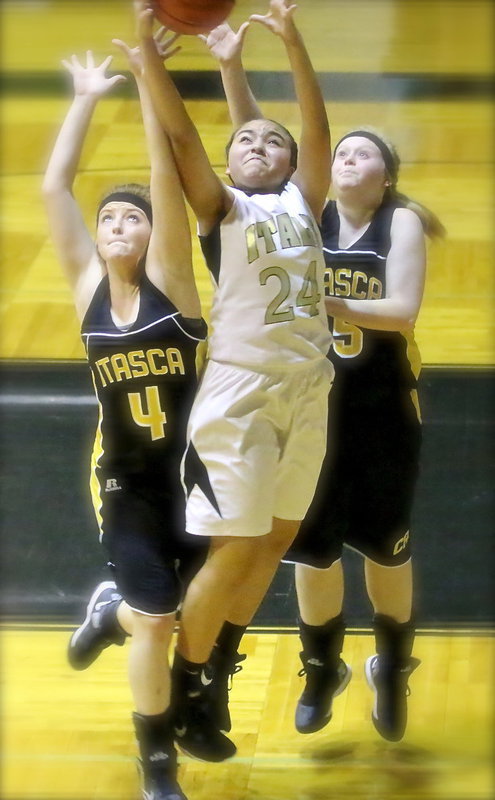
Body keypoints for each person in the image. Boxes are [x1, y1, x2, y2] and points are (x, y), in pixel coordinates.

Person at [201, 21, 446, 744]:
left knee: (386, 549)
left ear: (385, 174)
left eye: (360, 151)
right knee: (312, 551)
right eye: (336, 151)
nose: (343, 157)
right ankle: (321, 665)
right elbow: (256, 142)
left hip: (381, 409)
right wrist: (232, 63)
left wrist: (327, 301)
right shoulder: (298, 211)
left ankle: (391, 666)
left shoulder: (397, 222)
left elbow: (399, 313)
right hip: (309, 404)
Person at [135, 0, 334, 762]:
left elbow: (313, 129)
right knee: (236, 542)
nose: (258, 142)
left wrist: (292, 42)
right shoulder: (225, 207)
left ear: (287, 163)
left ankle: (217, 668)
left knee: (275, 539)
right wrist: (151, 64)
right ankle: (186, 681)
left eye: (270, 140)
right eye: (245, 137)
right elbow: (185, 137)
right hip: (242, 391)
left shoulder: (302, 202)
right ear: (230, 162)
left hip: (307, 389)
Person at [42, 31, 207, 800]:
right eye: (107, 218)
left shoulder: (174, 278)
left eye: (129, 218)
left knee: (186, 617)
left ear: (151, 234)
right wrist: (81, 103)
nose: (114, 225)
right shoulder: (85, 289)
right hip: (126, 481)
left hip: (199, 475)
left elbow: (163, 178)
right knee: (160, 621)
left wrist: (149, 76)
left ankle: (114, 612)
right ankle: (156, 762)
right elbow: (53, 191)